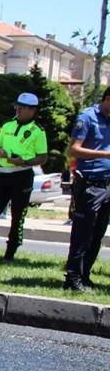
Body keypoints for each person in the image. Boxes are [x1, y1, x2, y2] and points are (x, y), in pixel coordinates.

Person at [0, 93, 47, 260]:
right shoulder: (8, 125)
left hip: (22, 175)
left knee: (18, 215)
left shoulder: (38, 131)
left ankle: (10, 252)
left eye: (22, 107)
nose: (18, 110)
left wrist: (25, 162)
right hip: (4, 175)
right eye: (17, 106)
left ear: (32, 110)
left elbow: (43, 157)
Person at [63, 87, 110, 292]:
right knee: (82, 233)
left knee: (97, 234)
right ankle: (72, 279)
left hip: (108, 185)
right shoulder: (88, 117)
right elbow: (73, 150)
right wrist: (106, 156)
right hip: (91, 185)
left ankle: (84, 275)